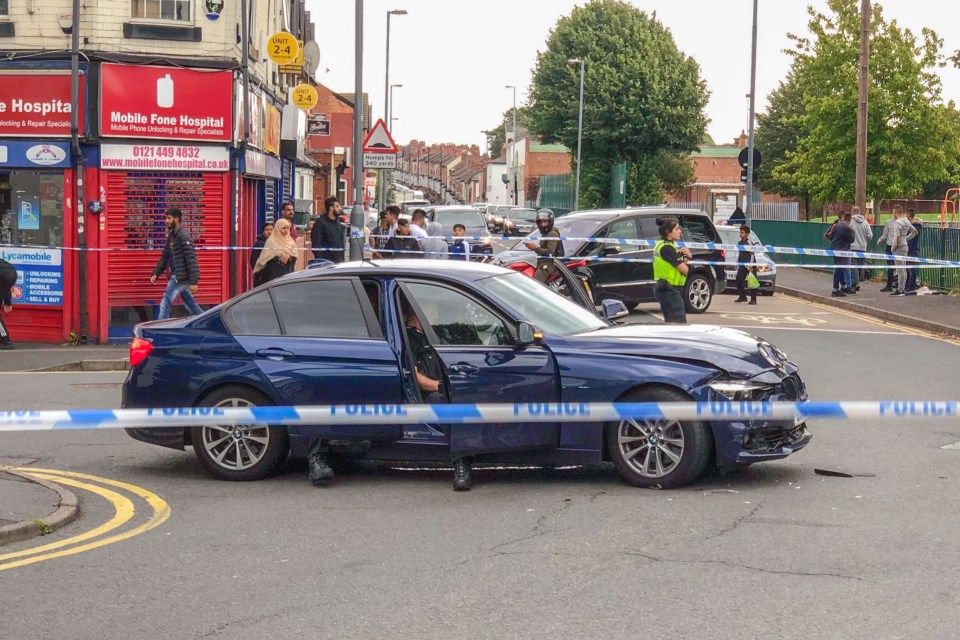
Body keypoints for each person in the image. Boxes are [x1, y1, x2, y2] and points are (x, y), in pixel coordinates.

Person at [403, 303, 472, 491]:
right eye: (431, 310)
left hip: (450, 387)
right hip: (430, 394)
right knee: (447, 405)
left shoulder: (439, 334)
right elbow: (412, 374)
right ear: (415, 317)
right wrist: (438, 386)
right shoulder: (409, 339)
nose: (435, 314)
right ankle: (461, 463)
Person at [150, 207, 203, 320]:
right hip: (179, 275)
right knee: (191, 305)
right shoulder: (172, 236)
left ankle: (160, 329)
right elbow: (165, 256)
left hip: (180, 277)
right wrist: (156, 272)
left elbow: (191, 259)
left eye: (169, 218)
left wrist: (194, 282)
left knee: (166, 302)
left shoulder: (183, 236)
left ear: (177, 219)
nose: (166, 221)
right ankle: (207, 322)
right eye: (166, 218)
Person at [653, 219, 691, 324]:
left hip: (667, 287)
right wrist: (686, 261)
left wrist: (688, 256)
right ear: (667, 232)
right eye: (677, 229)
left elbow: (679, 265)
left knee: (671, 322)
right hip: (669, 289)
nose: (680, 231)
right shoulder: (667, 248)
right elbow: (684, 270)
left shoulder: (665, 245)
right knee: (678, 322)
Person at [523, 209, 564, 283]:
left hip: (548, 265)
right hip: (543, 263)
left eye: (545, 222)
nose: (542, 224)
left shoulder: (552, 233)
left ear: (550, 222)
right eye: (541, 222)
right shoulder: (546, 233)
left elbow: (550, 251)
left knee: (535, 284)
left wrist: (535, 248)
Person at [253, 218, 298, 283]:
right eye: (283, 228)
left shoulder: (291, 241)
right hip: (273, 276)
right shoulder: (271, 241)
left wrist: (289, 257)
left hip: (288, 275)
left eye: (287, 228)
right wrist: (279, 258)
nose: (286, 230)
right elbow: (265, 258)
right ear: (278, 229)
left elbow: (295, 255)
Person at [889, 206, 918, 296]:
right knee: (903, 268)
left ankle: (900, 289)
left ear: (895, 212)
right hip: (905, 246)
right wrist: (906, 239)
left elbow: (896, 237)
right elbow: (915, 232)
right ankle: (902, 288)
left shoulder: (897, 223)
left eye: (893, 213)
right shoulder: (906, 221)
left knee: (900, 270)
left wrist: (893, 248)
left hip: (898, 247)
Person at [310, 196, 345, 263]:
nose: (340, 208)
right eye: (337, 206)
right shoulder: (320, 223)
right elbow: (316, 243)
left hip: (338, 262)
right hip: (326, 262)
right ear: (331, 208)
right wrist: (320, 260)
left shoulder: (338, 223)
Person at [877, 206, 902, 292]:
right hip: (889, 246)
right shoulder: (888, 222)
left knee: (900, 267)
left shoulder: (903, 222)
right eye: (893, 212)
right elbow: (885, 234)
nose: (894, 214)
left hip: (898, 247)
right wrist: (880, 239)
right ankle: (889, 285)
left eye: (895, 212)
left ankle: (900, 285)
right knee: (890, 267)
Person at [830, 212, 855, 297]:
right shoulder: (846, 228)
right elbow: (851, 239)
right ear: (850, 220)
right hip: (840, 250)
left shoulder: (837, 225)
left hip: (834, 248)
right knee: (839, 270)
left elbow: (831, 236)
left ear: (843, 218)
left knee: (839, 269)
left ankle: (842, 286)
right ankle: (835, 289)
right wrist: (852, 231)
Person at [849, 205, 872, 290]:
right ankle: (857, 281)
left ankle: (855, 283)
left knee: (853, 265)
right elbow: (870, 235)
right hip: (862, 248)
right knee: (859, 266)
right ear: (859, 212)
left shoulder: (850, 222)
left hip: (853, 247)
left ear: (852, 211)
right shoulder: (865, 222)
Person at [733, 224, 758, 305]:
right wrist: (736, 263)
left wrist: (751, 265)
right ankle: (742, 296)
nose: (740, 234)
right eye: (740, 232)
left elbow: (752, 254)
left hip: (750, 264)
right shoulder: (739, 242)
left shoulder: (749, 243)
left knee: (752, 281)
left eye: (742, 233)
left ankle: (753, 299)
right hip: (742, 264)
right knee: (739, 279)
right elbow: (738, 253)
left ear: (747, 234)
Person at [0, 258, 17, 350]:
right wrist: (7, 302)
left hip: (4, 275)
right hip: (12, 273)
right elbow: (5, 285)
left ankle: (6, 341)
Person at [905, 209, 923, 292]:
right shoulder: (915, 226)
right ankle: (909, 285)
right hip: (912, 249)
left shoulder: (914, 227)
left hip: (912, 250)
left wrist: (907, 248)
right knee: (909, 268)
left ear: (909, 215)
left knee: (911, 268)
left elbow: (911, 240)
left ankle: (911, 286)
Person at [250, 222, 273, 287]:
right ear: (263, 232)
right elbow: (253, 260)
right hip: (262, 278)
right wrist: (260, 273)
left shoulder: (276, 243)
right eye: (267, 230)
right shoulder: (259, 244)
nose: (269, 232)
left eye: (271, 230)